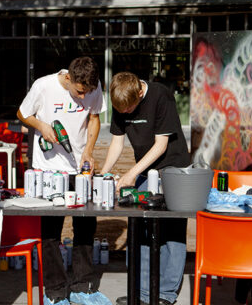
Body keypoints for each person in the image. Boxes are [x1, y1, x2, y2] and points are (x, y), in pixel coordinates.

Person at [17, 56, 111, 305]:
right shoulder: (43, 86)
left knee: (85, 227)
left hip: (80, 168)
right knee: (50, 232)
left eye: (87, 92)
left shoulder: (94, 85)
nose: (83, 97)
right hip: (47, 168)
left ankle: (83, 287)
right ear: (68, 78)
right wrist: (41, 125)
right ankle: (56, 293)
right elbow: (23, 113)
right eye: (79, 92)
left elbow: (94, 118)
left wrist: (89, 151)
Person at [100, 72, 190, 305]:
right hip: (145, 169)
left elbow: (161, 146)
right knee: (139, 228)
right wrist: (102, 173)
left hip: (173, 167)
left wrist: (131, 173)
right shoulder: (120, 99)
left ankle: (166, 294)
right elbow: (117, 143)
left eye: (129, 109)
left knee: (172, 232)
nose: (126, 113)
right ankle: (141, 292)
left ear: (140, 92)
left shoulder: (162, 96)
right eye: (121, 110)